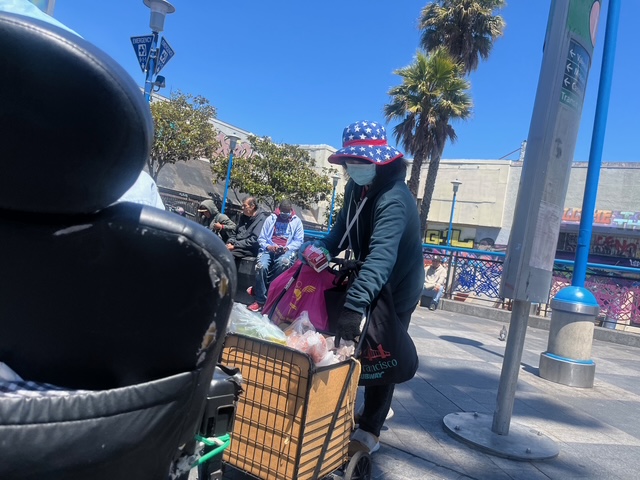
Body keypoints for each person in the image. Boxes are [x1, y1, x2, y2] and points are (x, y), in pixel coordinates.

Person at [300, 120, 424, 455]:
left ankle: (370, 428)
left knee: (382, 353)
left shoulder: (395, 198)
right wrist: (321, 248)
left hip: (397, 289)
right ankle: (353, 410)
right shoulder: (357, 190)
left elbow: (382, 257)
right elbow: (340, 231)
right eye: (350, 162)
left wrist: (355, 307)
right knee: (353, 346)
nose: (355, 167)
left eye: (362, 161)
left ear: (381, 160)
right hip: (368, 279)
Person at [247, 199, 304, 312]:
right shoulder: (270, 219)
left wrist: (287, 248)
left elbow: (299, 241)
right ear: (279, 210)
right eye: (283, 212)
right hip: (269, 249)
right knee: (261, 266)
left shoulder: (297, 222)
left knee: (284, 264)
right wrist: (269, 247)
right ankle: (260, 301)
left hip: (286, 250)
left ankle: (263, 293)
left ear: (291, 211)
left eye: (287, 213)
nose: (285, 215)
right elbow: (261, 238)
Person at [226, 196, 269, 266]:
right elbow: (234, 233)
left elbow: (254, 240)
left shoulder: (262, 218)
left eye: (244, 206)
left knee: (228, 256)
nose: (242, 208)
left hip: (249, 248)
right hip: (237, 245)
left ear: (252, 206)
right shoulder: (243, 217)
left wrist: (235, 246)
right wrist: (230, 242)